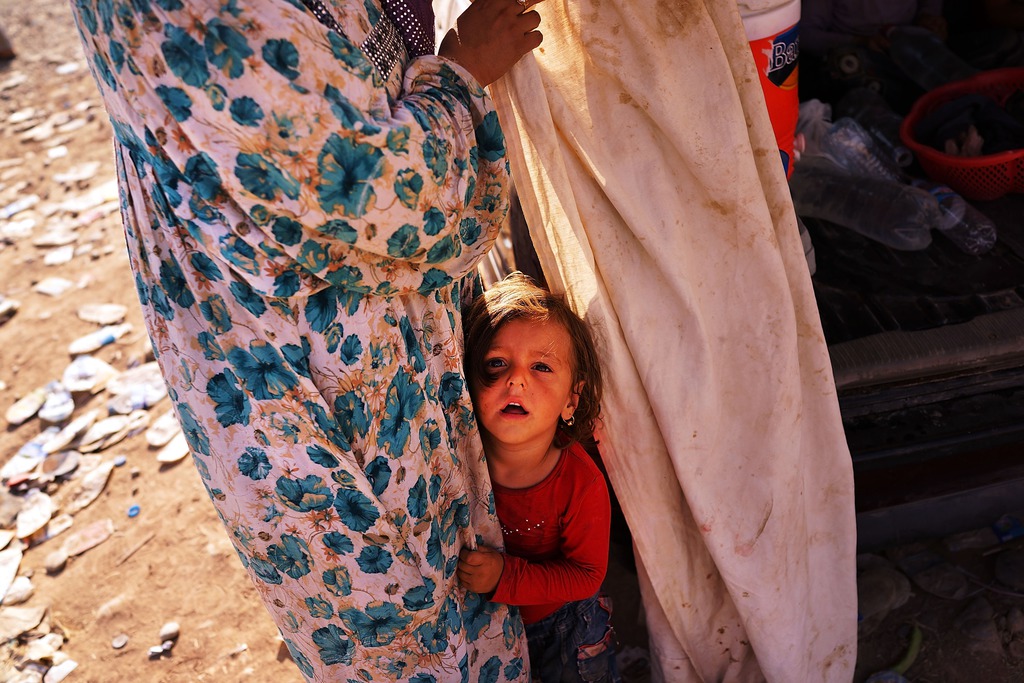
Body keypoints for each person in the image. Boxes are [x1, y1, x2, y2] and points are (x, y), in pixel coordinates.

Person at [68, 0, 544, 680]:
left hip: (363, 329)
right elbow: (377, 190)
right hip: (319, 359)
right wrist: (460, 72)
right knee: (408, 613)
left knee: (452, 575)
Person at [458, 272, 619, 683]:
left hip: (564, 627)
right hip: (487, 629)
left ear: (572, 399)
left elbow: (587, 575)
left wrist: (504, 577)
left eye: (542, 366)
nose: (517, 378)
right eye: (497, 363)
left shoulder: (579, 483)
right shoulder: (452, 458)